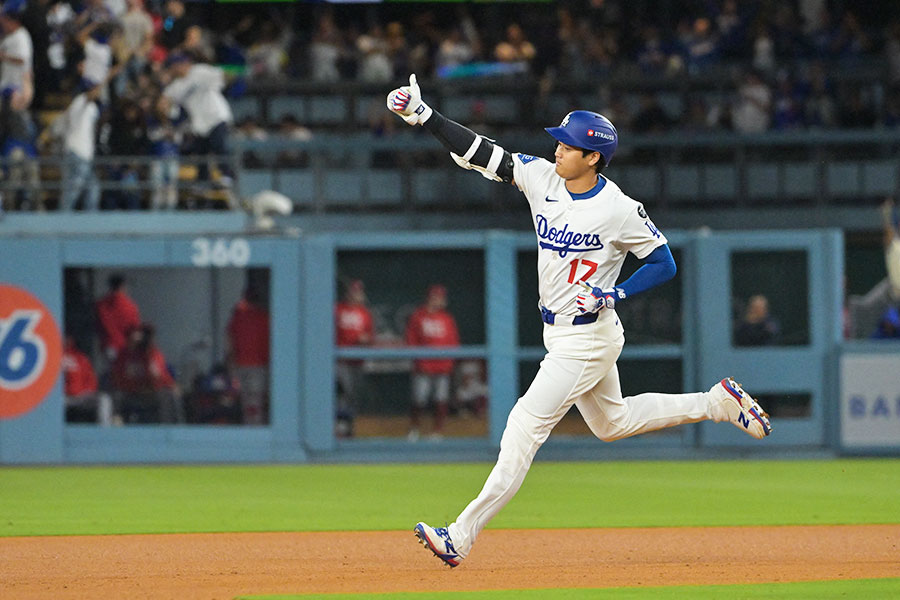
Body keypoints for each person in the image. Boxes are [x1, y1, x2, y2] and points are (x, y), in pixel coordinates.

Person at [386, 74, 772, 567]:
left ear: (593, 157)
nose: (557, 150)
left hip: (587, 338)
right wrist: (425, 116)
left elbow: (663, 261)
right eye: (559, 142)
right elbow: (484, 153)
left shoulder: (619, 208)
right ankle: (715, 403)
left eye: (567, 146)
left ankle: (461, 535)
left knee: (524, 425)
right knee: (612, 423)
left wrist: (617, 292)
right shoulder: (543, 177)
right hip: (562, 332)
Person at [161, 52, 235, 206]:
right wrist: (164, 111)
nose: (175, 69)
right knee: (201, 152)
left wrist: (230, 76)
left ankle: (227, 176)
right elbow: (164, 101)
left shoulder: (199, 71)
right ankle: (202, 182)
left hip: (216, 115)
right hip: (200, 123)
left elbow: (224, 76)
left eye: (176, 65)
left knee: (218, 146)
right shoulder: (176, 86)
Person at [404, 284, 460, 441]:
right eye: (437, 297)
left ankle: (437, 431)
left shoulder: (447, 318)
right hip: (423, 366)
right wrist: (419, 362)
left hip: (442, 367)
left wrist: (449, 363)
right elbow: (411, 340)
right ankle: (414, 429)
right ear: (430, 298)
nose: (441, 300)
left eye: (442, 297)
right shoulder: (419, 316)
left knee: (441, 399)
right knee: (419, 399)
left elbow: (454, 342)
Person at [111, 322, 180, 423]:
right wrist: (137, 386)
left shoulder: (153, 353)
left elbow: (163, 376)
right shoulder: (123, 356)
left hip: (151, 393)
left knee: (168, 396)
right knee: (117, 397)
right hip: (131, 394)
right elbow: (118, 380)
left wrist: (170, 384)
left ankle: (168, 429)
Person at [334, 279, 374, 438]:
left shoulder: (365, 313)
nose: (357, 294)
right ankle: (340, 426)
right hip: (340, 358)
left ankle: (348, 426)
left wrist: (366, 340)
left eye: (359, 291)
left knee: (352, 395)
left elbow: (370, 336)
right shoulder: (338, 309)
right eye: (354, 291)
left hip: (357, 360)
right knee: (342, 393)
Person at [226, 285, 270, 425]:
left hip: (241, 364)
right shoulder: (263, 317)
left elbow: (230, 341)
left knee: (246, 400)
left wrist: (231, 363)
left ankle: (249, 426)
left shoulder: (238, 316)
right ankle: (254, 428)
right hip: (257, 365)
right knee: (255, 400)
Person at [62, 335, 114, 425]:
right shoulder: (51, 358)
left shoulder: (80, 358)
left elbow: (91, 379)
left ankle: (104, 431)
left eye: (67, 338)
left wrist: (84, 391)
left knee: (104, 399)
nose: (65, 340)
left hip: (80, 396)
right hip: (61, 398)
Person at [95, 272, 141, 363]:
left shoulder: (100, 304)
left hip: (108, 346)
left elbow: (97, 326)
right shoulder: (131, 306)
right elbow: (135, 331)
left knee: (111, 371)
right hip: (125, 348)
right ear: (122, 286)